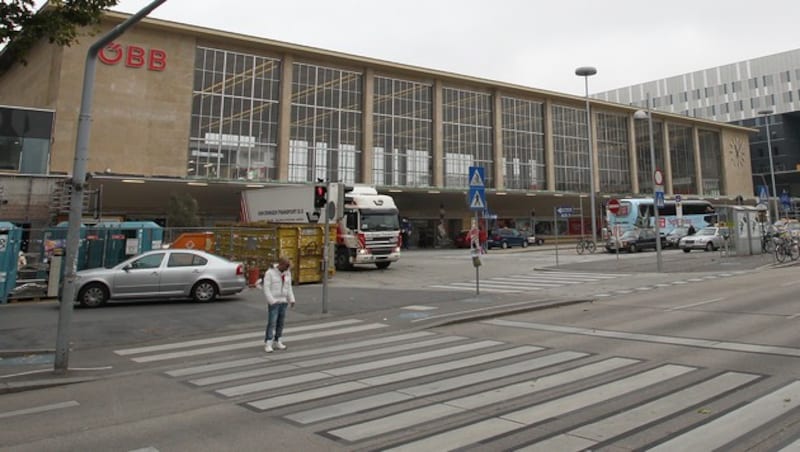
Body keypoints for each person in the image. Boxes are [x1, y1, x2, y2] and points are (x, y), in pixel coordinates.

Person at [262, 256, 295, 353]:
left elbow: (289, 287)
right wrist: (271, 301)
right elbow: (266, 288)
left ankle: (278, 340)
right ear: (281, 264)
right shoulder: (270, 273)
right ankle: (268, 342)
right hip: (274, 301)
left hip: (283, 301)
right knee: (272, 322)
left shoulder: (287, 273)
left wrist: (291, 299)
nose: (287, 268)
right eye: (286, 266)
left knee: (281, 322)